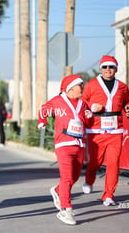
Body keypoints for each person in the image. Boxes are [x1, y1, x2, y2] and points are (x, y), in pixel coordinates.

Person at [37, 75, 92, 225]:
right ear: (71, 88)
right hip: (63, 145)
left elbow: (88, 121)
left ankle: (57, 190)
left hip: (79, 144)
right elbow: (44, 109)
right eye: (80, 85)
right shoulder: (58, 101)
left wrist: (89, 115)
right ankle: (65, 210)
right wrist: (42, 121)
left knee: (74, 178)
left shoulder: (83, 103)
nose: (83, 87)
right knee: (67, 177)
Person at [82, 55, 129, 206]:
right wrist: (92, 106)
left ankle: (109, 195)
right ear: (101, 69)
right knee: (95, 162)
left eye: (111, 67)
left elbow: (128, 100)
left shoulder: (122, 86)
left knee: (113, 163)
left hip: (116, 130)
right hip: (96, 129)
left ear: (116, 69)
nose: (108, 70)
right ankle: (89, 180)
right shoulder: (91, 84)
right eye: (105, 67)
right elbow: (82, 102)